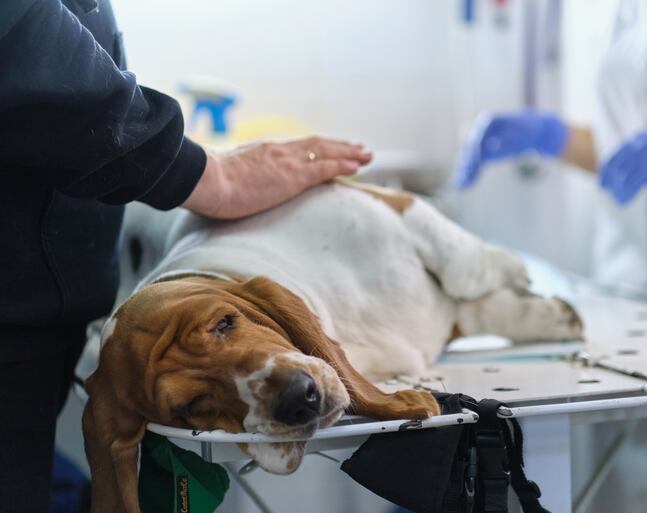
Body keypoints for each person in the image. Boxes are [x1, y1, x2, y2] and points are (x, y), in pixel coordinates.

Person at [0, 0, 371, 511]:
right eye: (193, 402)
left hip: (41, 323)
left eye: (225, 323)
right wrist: (201, 172)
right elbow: (21, 33)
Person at [456, 0, 647, 511]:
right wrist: (552, 137)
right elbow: (634, 156)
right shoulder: (634, 12)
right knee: (622, 492)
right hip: (632, 306)